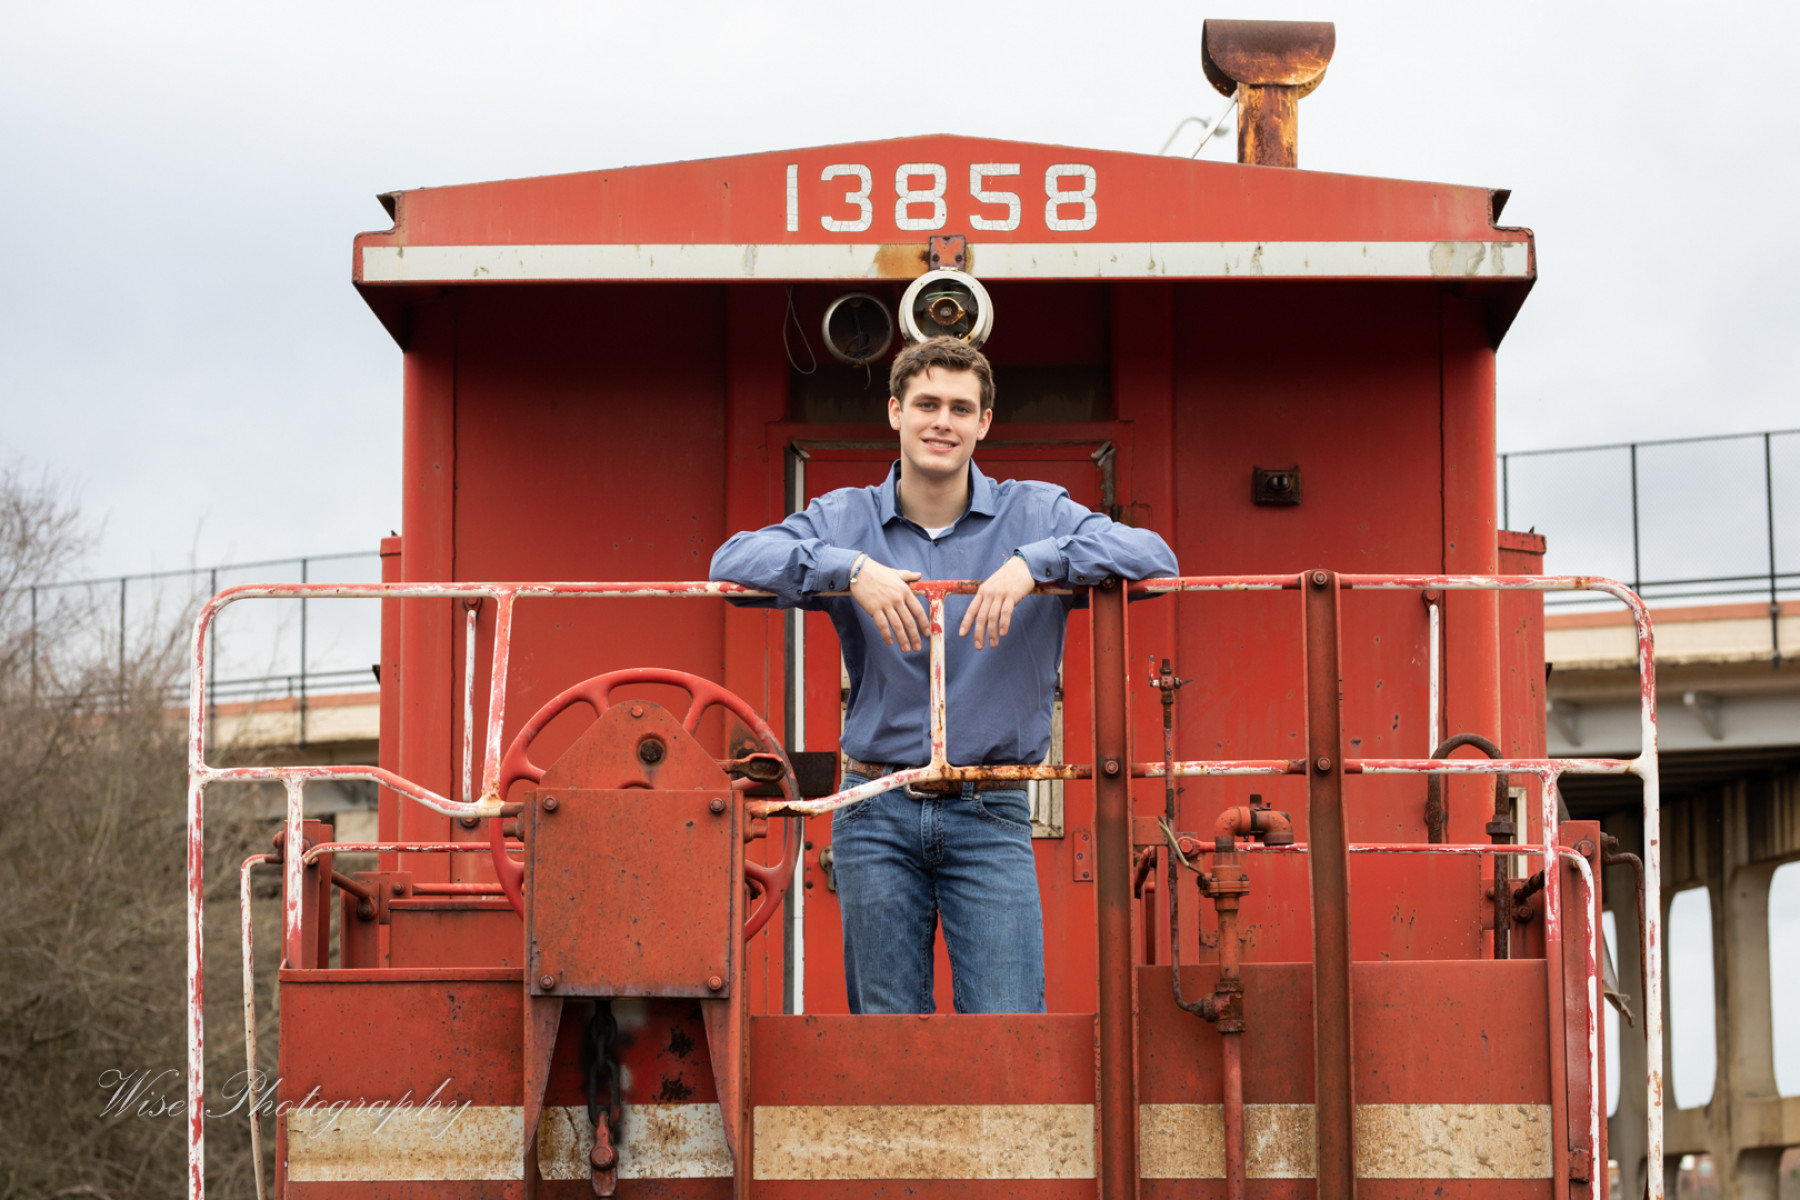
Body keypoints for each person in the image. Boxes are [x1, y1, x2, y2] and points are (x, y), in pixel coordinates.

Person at [710, 336, 1177, 1014]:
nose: (942, 422)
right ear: (895, 412)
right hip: (874, 802)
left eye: (960, 408)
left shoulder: (1037, 513)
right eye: (926, 404)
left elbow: (1155, 558)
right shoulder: (846, 519)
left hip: (991, 804)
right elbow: (732, 565)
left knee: (1008, 1025)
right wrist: (849, 570)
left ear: (984, 422)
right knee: (887, 1032)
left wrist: (1036, 564)